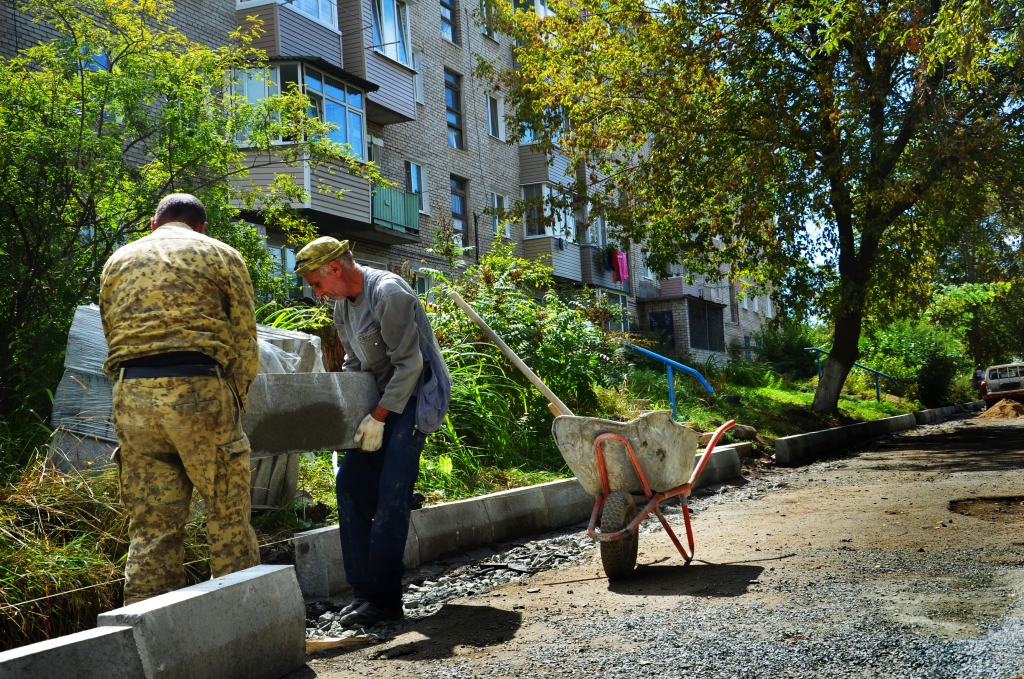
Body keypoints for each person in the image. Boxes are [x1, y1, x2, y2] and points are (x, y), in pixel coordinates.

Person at [99, 193, 260, 605]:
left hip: (131, 395)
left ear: (154, 224)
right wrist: (234, 402)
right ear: (200, 227)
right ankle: (240, 625)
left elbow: (109, 330)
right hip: (198, 391)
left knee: (151, 526)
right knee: (227, 516)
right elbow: (244, 342)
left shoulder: (118, 259)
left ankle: (145, 632)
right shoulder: (220, 254)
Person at [294, 236, 449, 627]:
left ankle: (385, 600)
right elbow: (354, 363)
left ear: (335, 268)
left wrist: (379, 416)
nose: (317, 293)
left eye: (316, 283)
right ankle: (363, 593)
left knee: (391, 493)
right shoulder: (342, 308)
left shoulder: (389, 292)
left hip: (413, 397)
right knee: (349, 482)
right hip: (380, 404)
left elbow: (410, 366)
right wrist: (353, 416)